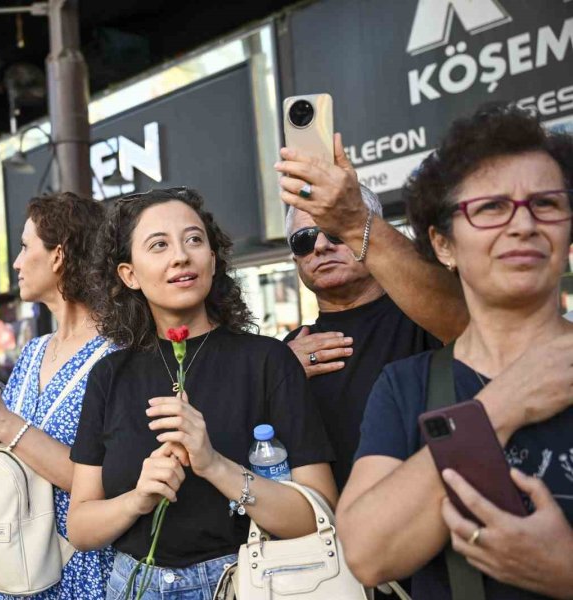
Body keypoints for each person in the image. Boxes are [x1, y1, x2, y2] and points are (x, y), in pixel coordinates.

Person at [337, 105, 573, 598]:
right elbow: (367, 554)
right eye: (490, 208)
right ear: (443, 245)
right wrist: (502, 405)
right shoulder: (408, 386)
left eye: (546, 204)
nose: (523, 224)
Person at [66, 187, 337, 599]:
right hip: (133, 585)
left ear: (212, 259)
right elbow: (81, 528)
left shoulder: (267, 361)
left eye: (194, 240)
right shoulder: (109, 375)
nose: (181, 256)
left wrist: (213, 465)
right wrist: (138, 499)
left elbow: (317, 516)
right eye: (159, 245)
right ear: (129, 274)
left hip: (244, 581)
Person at [0, 192, 115, 600]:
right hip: (16, 566)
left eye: (26, 246)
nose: (16, 262)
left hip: (79, 570)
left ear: (59, 255)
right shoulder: (33, 352)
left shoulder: (116, 354)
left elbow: (103, 482)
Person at [281, 186, 448, 491]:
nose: (320, 246)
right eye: (303, 239)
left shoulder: (430, 318)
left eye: (335, 232)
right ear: (296, 260)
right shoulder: (286, 352)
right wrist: (280, 375)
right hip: (327, 530)